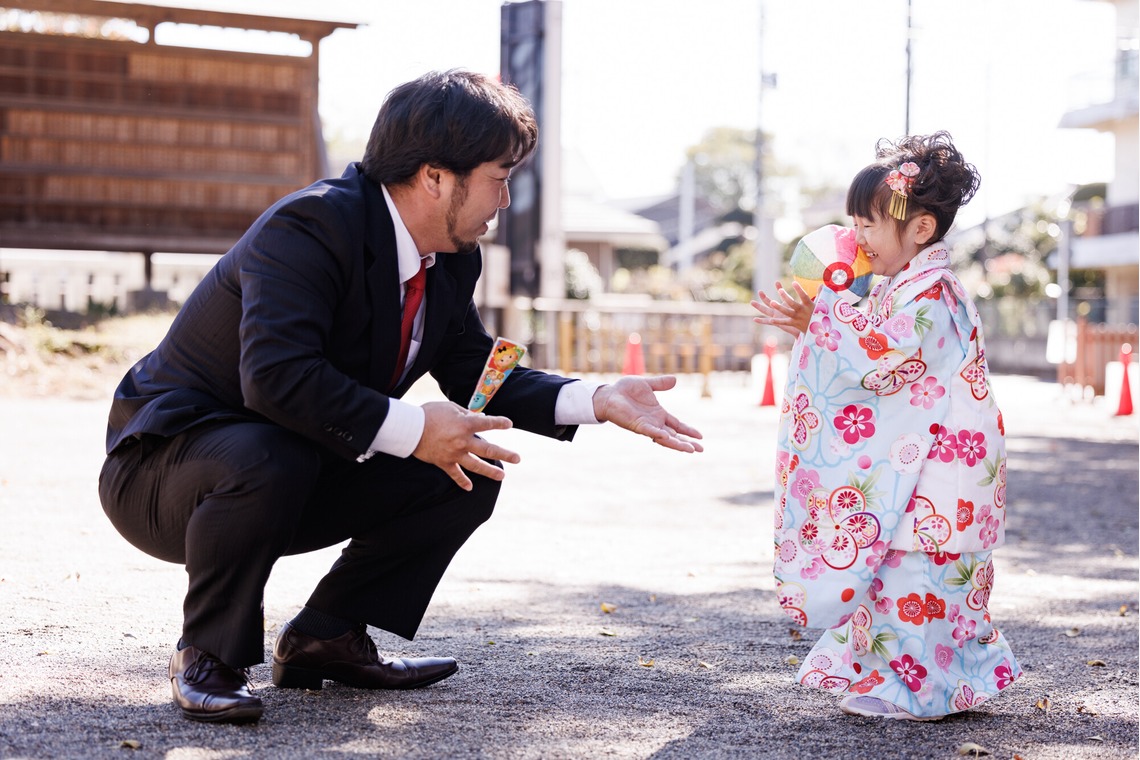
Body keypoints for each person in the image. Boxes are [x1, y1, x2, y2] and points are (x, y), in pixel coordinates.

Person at [97, 69, 703, 725]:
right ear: (435, 176)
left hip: (289, 464)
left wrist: (601, 397)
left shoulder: (451, 253)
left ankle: (326, 635)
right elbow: (274, 377)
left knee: (466, 468)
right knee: (273, 454)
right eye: (499, 177)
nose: (504, 199)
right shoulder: (309, 226)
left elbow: (476, 369)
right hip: (164, 474)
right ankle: (207, 655)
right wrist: (414, 427)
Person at [752, 132, 1020, 721]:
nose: (857, 240)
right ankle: (921, 681)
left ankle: (915, 688)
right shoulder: (909, 288)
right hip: (929, 466)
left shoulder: (931, 294)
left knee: (918, 577)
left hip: (935, 471)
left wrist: (819, 319)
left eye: (869, 226)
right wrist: (818, 323)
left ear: (920, 229)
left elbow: (886, 363)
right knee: (906, 578)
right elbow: (876, 357)